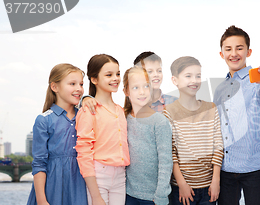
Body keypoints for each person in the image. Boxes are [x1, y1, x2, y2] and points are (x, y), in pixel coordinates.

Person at [213, 25, 260, 205]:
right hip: (226, 168)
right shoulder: (220, 88)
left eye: (239, 48)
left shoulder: (258, 78)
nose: (234, 53)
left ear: (248, 51)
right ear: (222, 54)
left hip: (254, 167)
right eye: (228, 49)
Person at [163, 56, 224, 205]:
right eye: (188, 76)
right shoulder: (169, 112)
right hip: (181, 189)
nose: (194, 80)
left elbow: (218, 146)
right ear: (175, 80)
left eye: (198, 76)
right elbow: (171, 151)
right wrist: (182, 183)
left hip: (208, 188)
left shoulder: (211, 108)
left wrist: (215, 180)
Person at [27, 63, 88, 205]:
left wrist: (88, 98)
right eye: (72, 84)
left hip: (80, 186)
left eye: (81, 84)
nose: (79, 89)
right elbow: (39, 164)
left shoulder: (85, 117)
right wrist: (41, 200)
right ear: (55, 87)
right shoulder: (44, 120)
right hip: (52, 188)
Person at [75, 54, 130, 205]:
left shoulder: (121, 111)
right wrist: (95, 196)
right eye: (109, 75)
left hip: (120, 175)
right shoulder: (88, 110)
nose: (116, 78)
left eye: (118, 74)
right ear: (94, 79)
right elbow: (84, 152)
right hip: (98, 175)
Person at [122, 66, 173, 205]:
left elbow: (166, 161)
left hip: (153, 197)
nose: (142, 92)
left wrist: (161, 195)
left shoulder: (160, 121)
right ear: (126, 91)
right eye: (135, 88)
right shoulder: (123, 118)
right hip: (128, 193)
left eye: (146, 86)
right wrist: (86, 98)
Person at [82, 51, 177, 114]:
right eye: (150, 72)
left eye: (159, 70)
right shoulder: (127, 111)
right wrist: (85, 98)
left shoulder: (175, 103)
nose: (156, 74)